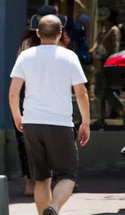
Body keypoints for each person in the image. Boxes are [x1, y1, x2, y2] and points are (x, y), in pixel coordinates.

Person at [9, 15, 91, 215]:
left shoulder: (25, 56)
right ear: (61, 34)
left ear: (38, 33)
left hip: (31, 123)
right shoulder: (69, 56)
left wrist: (17, 117)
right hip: (59, 124)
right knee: (67, 175)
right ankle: (53, 207)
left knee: (41, 178)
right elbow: (81, 93)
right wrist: (86, 122)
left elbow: (13, 92)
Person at [16, 6, 69, 197]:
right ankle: (39, 181)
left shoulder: (29, 45)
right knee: (32, 145)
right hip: (34, 97)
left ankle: (50, 181)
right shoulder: (28, 44)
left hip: (30, 98)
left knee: (31, 144)